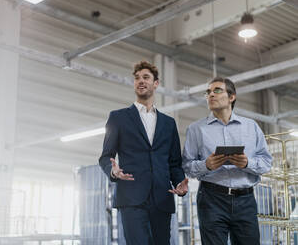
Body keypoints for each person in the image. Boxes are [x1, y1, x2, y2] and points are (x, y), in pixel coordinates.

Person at [99, 61, 188, 245]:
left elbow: (174, 163)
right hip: (131, 197)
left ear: (156, 83)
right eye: (137, 78)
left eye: (146, 77)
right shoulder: (118, 118)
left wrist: (180, 184)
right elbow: (105, 156)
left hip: (162, 197)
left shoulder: (168, 123)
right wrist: (113, 171)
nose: (141, 81)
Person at [182, 77, 272, 245]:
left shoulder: (251, 127)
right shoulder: (196, 129)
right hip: (211, 199)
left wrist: (246, 163)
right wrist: (206, 165)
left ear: (232, 97)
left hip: (245, 200)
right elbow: (187, 166)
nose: (211, 95)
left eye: (217, 90)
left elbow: (266, 162)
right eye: (207, 92)